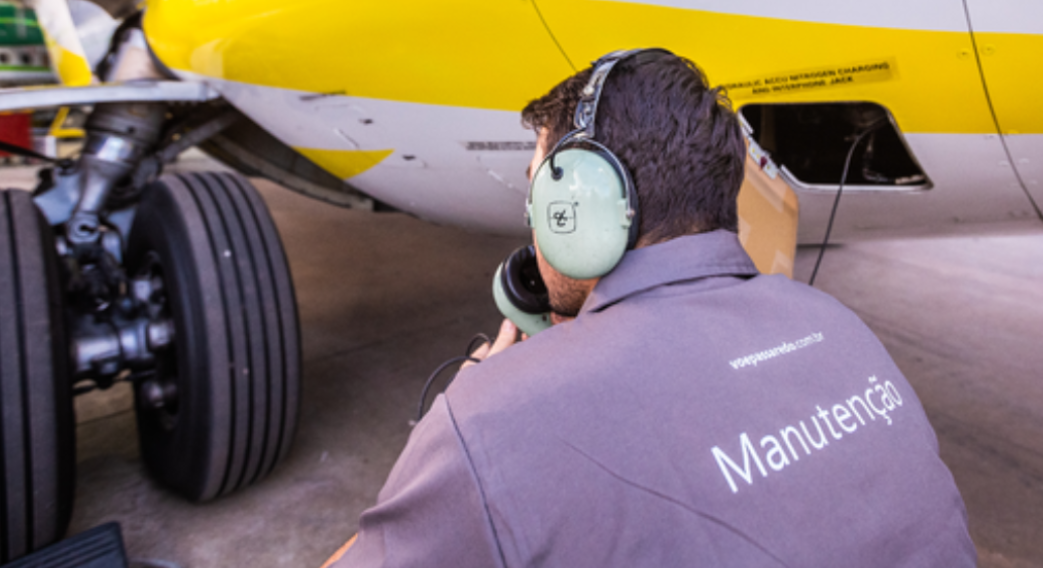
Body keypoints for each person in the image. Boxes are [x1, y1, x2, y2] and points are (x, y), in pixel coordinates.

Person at [329, 49, 975, 567]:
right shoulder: (836, 324)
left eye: (539, 198)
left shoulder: (490, 418)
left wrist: (462, 442)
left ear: (582, 209)